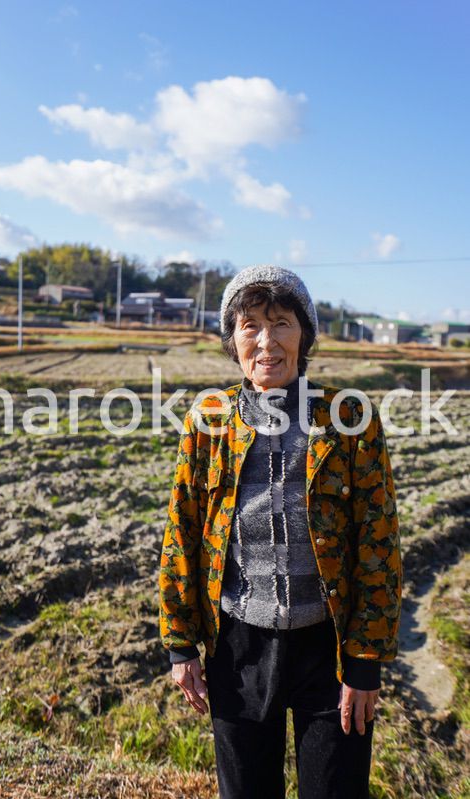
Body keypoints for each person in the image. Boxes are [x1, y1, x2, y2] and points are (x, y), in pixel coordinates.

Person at [158, 265, 402, 799]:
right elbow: (183, 530)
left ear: (304, 335)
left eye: (282, 323)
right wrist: (179, 644)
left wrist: (364, 662)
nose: (266, 342)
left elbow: (379, 543)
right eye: (250, 326)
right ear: (233, 340)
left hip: (328, 645)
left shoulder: (349, 417)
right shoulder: (209, 418)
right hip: (237, 644)